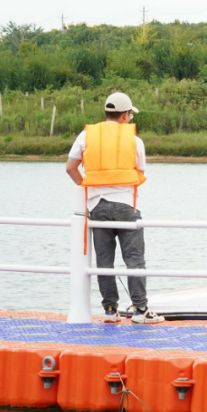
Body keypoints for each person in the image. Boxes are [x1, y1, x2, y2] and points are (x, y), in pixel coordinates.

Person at [65, 92, 163, 324]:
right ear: (125, 115)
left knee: (104, 262)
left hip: (97, 207)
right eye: (130, 115)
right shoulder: (135, 141)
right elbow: (140, 171)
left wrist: (86, 187)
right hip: (126, 206)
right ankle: (140, 311)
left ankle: (110, 310)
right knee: (134, 260)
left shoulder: (86, 135)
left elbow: (70, 168)